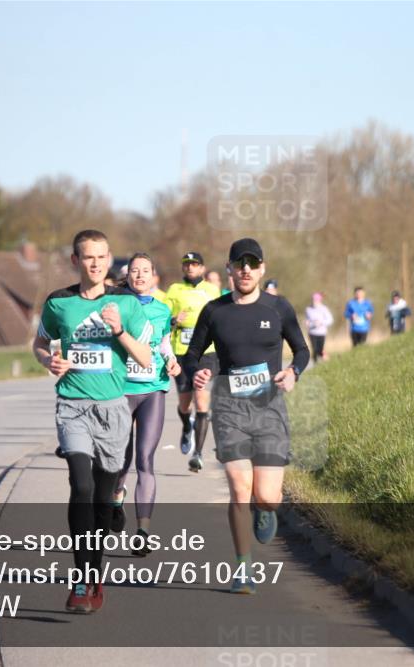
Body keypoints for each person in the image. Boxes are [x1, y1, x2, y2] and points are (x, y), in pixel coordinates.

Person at [32, 229, 152, 614]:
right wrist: (48, 360)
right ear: (75, 261)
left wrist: (118, 330)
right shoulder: (59, 303)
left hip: (113, 409)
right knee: (80, 485)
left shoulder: (125, 303)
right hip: (72, 406)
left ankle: (95, 574)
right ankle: (81, 578)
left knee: (103, 498)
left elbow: (147, 360)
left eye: (101, 257)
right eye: (88, 257)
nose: (96, 263)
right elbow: (39, 343)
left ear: (109, 259)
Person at [186, 238, 310, 594]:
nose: (245, 270)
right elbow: (193, 353)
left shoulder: (278, 308)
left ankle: (265, 508)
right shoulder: (214, 311)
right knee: (240, 491)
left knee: (267, 496)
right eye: (239, 264)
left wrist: (293, 372)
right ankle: (243, 568)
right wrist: (197, 371)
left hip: (269, 407)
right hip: (230, 406)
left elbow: (301, 349)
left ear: (262, 269)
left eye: (252, 264)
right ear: (228, 268)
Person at [111, 254, 182, 554]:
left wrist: (172, 359)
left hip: (153, 388)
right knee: (120, 461)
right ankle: (116, 496)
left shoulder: (163, 310)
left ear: (154, 276)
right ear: (127, 276)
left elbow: (164, 342)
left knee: (145, 460)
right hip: (122, 390)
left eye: (145, 271)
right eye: (134, 271)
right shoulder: (115, 305)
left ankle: (143, 531)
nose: (139, 275)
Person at [164, 251, 221, 471]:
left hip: (207, 353)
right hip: (182, 352)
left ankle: (197, 454)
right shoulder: (174, 290)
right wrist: (173, 320)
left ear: (202, 268)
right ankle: (186, 427)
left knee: (202, 400)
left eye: (195, 264)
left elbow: (221, 318)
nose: (190, 267)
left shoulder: (212, 290)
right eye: (186, 264)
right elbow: (163, 320)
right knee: (185, 404)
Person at [304, 292, 333, 364]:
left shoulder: (324, 309)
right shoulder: (308, 309)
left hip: (321, 332)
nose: (314, 301)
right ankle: (315, 364)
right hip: (312, 333)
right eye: (313, 300)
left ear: (320, 300)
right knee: (314, 349)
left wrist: (321, 322)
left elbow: (330, 320)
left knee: (320, 350)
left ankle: (326, 358)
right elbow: (307, 320)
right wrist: (308, 323)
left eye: (316, 300)